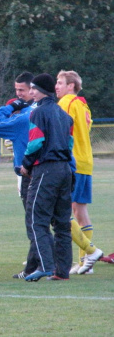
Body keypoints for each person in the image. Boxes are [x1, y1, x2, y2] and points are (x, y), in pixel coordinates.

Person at [19, 73, 74, 281]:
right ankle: (62, 271)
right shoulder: (64, 115)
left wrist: (25, 165)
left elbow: (35, 142)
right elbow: (69, 145)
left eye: (33, 88)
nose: (31, 92)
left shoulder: (38, 113)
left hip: (47, 170)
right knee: (62, 223)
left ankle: (46, 266)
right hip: (65, 170)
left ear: (42, 91)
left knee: (36, 219)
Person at [0, 72, 40, 279]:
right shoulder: (46, 110)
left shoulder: (25, 115)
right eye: (16, 90)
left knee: (35, 221)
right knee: (55, 221)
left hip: (30, 172)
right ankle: (53, 263)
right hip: (53, 170)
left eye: (22, 91)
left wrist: (11, 108)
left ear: (32, 90)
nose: (18, 95)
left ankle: (38, 264)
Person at [55, 70, 104, 274]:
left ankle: (89, 253)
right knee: (80, 211)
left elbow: (59, 129)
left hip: (72, 162)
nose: (56, 86)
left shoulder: (66, 102)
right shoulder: (84, 106)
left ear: (71, 86)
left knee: (63, 211)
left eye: (60, 82)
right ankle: (86, 262)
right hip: (86, 161)